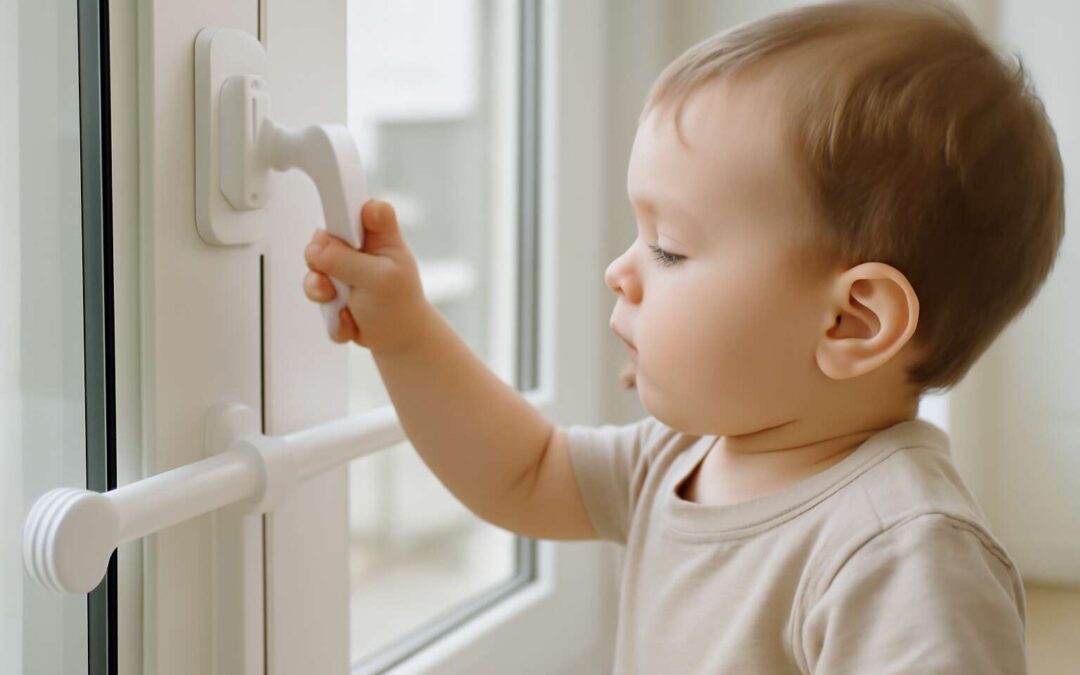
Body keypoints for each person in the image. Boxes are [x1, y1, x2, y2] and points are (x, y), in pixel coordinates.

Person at [300, 1, 1064, 671]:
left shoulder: (901, 554)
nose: (619, 270)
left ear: (853, 320)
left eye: (668, 247)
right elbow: (524, 471)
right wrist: (406, 335)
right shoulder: (684, 456)